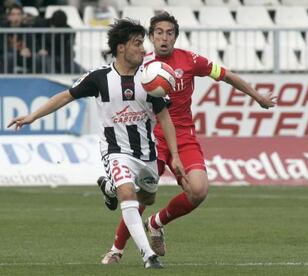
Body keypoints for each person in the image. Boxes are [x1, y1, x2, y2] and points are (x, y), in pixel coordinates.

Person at [98, 11, 277, 264]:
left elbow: (226, 75)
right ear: (150, 36)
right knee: (139, 196)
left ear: (175, 37)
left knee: (199, 190)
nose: (164, 37)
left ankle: (157, 223)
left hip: (183, 135)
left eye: (169, 33)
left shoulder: (190, 60)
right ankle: (116, 250)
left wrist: (257, 96)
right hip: (151, 137)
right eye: (158, 32)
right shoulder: (141, 63)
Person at [8, 18, 188, 269]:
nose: (144, 49)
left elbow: (165, 118)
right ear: (122, 47)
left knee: (147, 197)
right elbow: (65, 97)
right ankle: (148, 255)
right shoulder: (98, 77)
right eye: (138, 44)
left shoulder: (150, 78)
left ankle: (110, 188)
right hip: (115, 151)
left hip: (147, 152)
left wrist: (176, 156)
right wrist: (32, 116)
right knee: (129, 194)